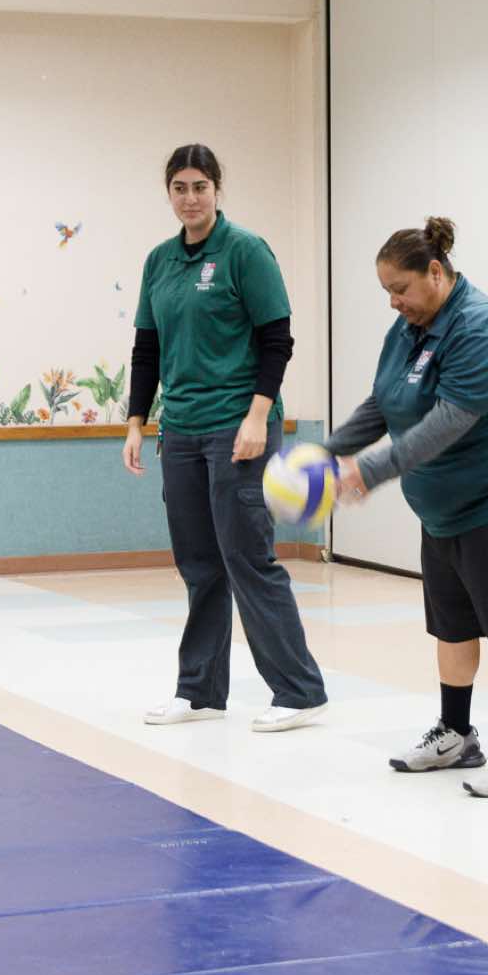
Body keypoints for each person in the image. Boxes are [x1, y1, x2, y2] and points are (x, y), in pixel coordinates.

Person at [327, 217, 488, 797]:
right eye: (386, 291)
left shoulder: (483, 325)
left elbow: (449, 421)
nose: (394, 302)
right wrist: (330, 449)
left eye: (400, 288)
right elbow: (385, 402)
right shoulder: (410, 328)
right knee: (453, 624)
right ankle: (458, 734)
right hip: (446, 509)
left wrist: (368, 470)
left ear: (436, 272)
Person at [122, 144, 328, 733]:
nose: (190, 198)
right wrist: (136, 422)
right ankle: (200, 691)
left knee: (247, 558)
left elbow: (277, 340)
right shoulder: (160, 261)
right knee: (198, 563)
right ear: (168, 193)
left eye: (200, 187)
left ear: (217, 189)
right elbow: (146, 349)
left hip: (238, 425)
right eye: (179, 188)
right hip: (181, 429)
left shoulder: (245, 251)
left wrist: (258, 416)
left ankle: (299, 690)